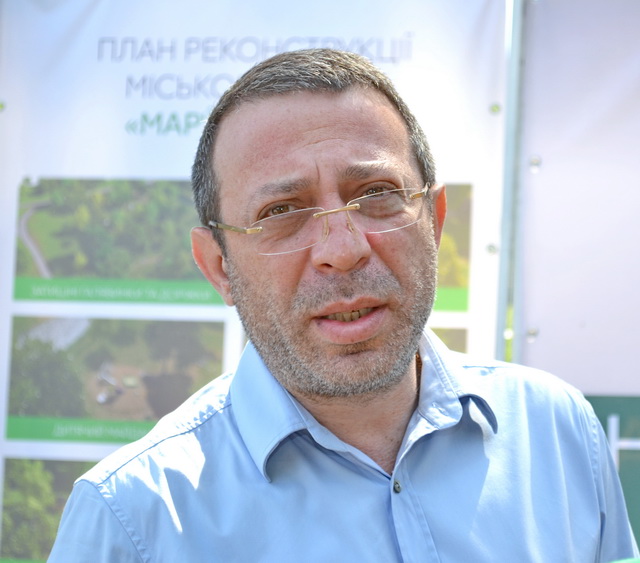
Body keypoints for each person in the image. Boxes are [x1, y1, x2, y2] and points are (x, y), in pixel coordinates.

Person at [49, 48, 638, 562]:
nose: (343, 250)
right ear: (219, 267)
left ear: (434, 223)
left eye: (376, 194)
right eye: (281, 211)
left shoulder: (556, 431)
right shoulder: (132, 520)